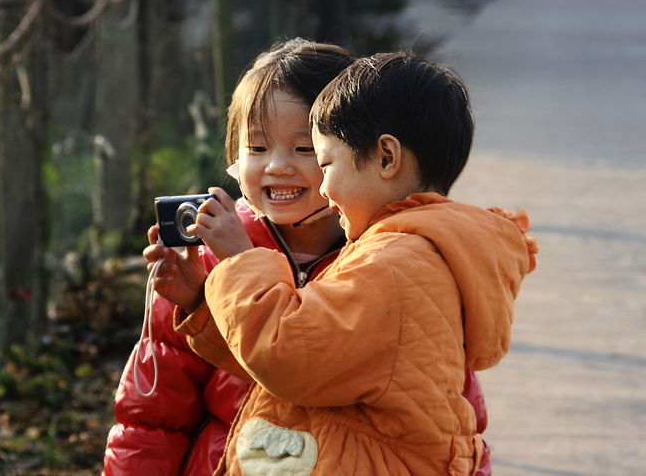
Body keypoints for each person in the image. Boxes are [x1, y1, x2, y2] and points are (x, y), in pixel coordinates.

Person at [186, 52, 538, 475]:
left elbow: (290, 356)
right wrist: (198, 305)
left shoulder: (393, 264)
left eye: (325, 162)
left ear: (387, 158)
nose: (325, 185)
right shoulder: (407, 250)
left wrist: (240, 259)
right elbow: (327, 366)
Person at [103, 38, 355, 476]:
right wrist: (200, 298)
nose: (276, 166)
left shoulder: (384, 257)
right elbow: (151, 419)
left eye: (304, 149)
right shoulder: (205, 260)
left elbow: (441, 410)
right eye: (256, 148)